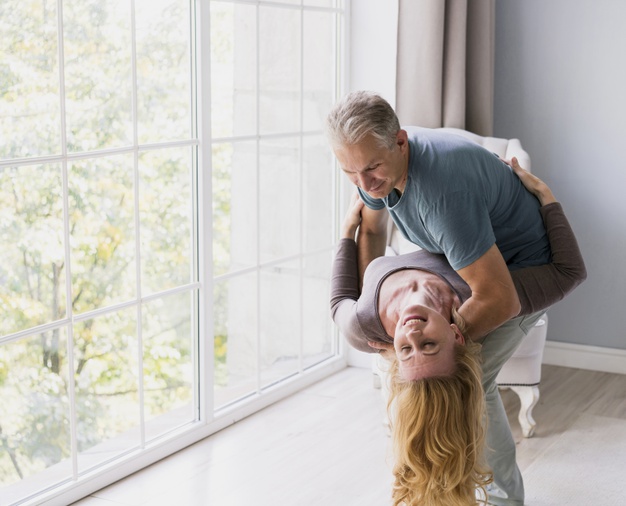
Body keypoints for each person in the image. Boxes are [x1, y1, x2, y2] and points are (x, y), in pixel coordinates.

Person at [326, 90, 585, 505]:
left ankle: (503, 498)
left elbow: (500, 298)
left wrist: (438, 339)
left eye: (371, 169)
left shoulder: (443, 196)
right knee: (417, 379)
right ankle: (419, 484)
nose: (365, 185)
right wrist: (372, 309)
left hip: (520, 274)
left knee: (470, 381)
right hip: (463, 263)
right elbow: (372, 229)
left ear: (400, 141)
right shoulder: (375, 169)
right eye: (350, 173)